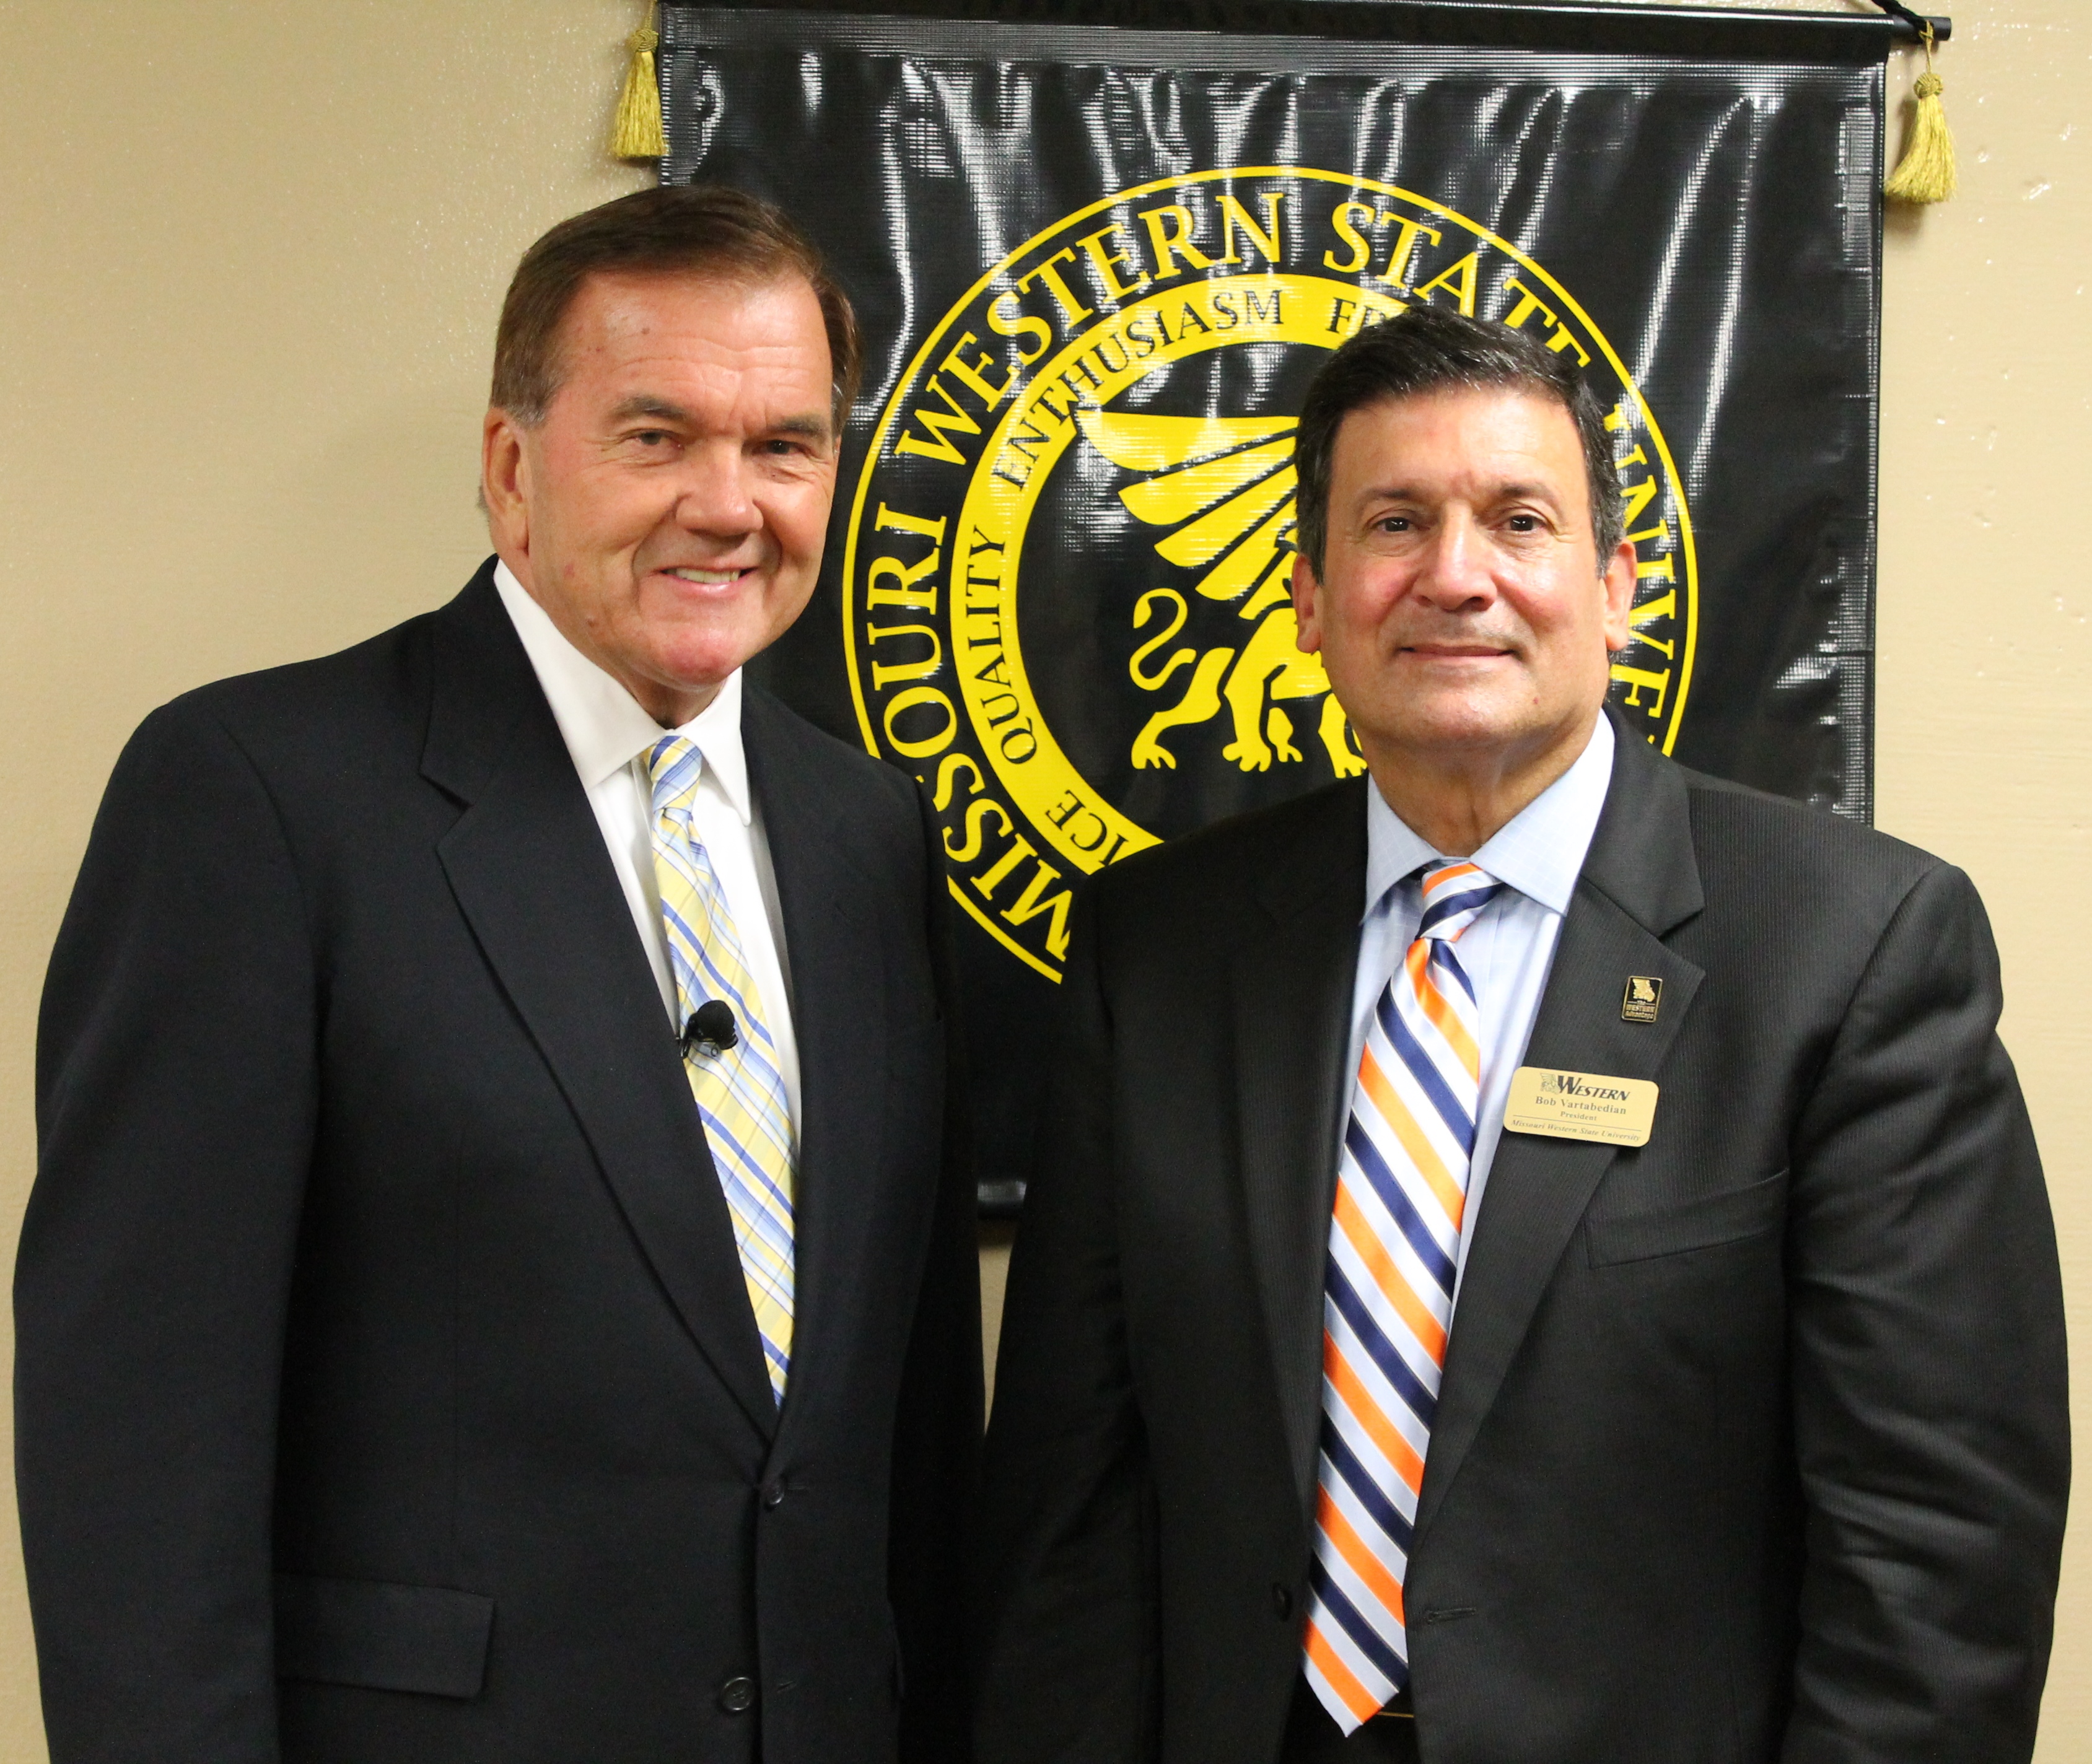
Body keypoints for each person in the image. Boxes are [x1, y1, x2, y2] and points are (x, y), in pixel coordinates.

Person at [974, 305, 2068, 1764]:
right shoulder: (1159, 948)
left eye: (1519, 520)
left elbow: (1935, 1550)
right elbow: (1072, 1497)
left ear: (1614, 588)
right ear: (1310, 598)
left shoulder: (1854, 950)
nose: (1455, 575)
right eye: (1394, 523)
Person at [19, 184, 979, 1764]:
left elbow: (914, 1424)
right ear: (512, 469)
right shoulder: (256, 794)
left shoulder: (870, 832)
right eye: (657, 437)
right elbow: (133, 1447)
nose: (729, 504)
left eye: (785, 445)